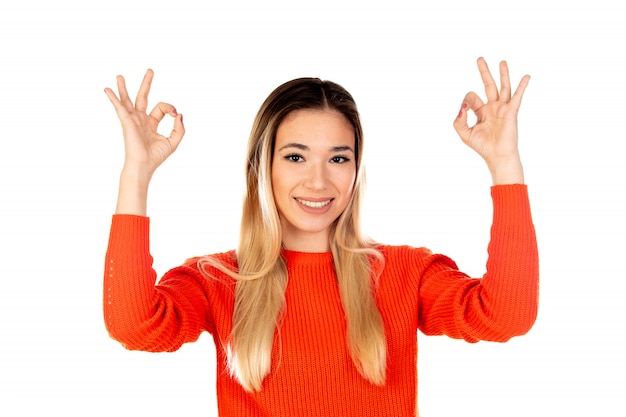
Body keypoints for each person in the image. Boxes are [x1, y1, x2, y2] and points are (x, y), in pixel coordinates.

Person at [103, 58, 538, 416]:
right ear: (263, 167)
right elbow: (132, 326)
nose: (318, 181)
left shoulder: (404, 272)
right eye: (295, 156)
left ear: (355, 169)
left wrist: (505, 164)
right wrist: (136, 173)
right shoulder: (218, 279)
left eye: (338, 158)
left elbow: (506, 315)